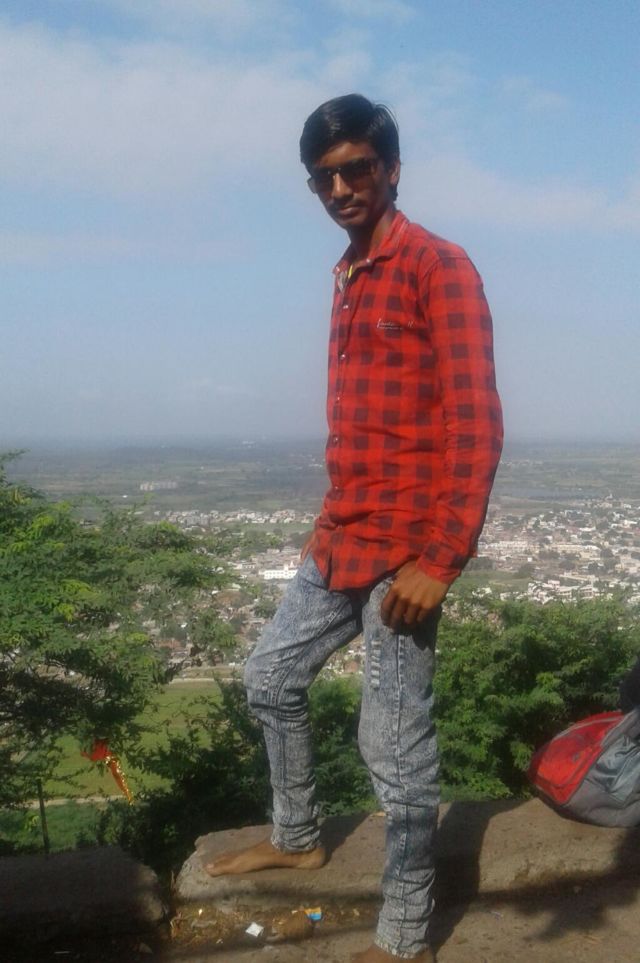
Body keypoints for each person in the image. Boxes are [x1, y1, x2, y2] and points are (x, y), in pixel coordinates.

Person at [205, 93, 503, 962]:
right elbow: (366, 422)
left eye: (355, 169)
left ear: (391, 169)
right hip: (344, 534)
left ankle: (405, 936)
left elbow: (475, 422)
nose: (339, 188)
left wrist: (442, 558)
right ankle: (297, 835)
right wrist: (326, 517)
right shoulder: (348, 272)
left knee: (393, 742)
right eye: (323, 177)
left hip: (407, 551)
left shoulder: (437, 266)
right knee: (270, 675)